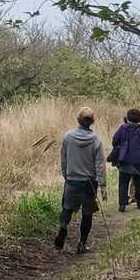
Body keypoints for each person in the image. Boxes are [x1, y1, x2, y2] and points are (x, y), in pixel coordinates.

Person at [54, 107, 106, 254]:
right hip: (89, 183)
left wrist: (67, 176)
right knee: (87, 213)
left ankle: (63, 226)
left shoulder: (68, 137)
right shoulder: (96, 139)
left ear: (78, 120)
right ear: (92, 121)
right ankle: (82, 243)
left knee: (67, 209)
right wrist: (103, 185)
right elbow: (100, 164)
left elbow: (63, 159)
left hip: (72, 180)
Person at [109, 108, 140, 212]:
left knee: (123, 183)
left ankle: (122, 205)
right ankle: (139, 203)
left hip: (124, 161)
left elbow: (114, 141)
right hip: (139, 162)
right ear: (139, 119)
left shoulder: (122, 129)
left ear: (127, 118)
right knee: (138, 183)